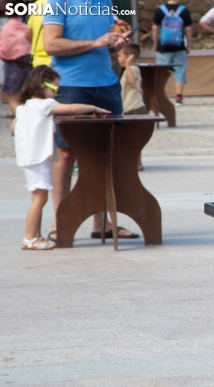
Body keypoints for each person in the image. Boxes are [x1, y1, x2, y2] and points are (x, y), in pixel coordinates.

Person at [43, 0, 139, 242]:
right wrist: (95, 42)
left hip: (106, 84)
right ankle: (60, 221)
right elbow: (51, 44)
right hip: (71, 85)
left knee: (106, 154)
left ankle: (102, 223)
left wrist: (114, 42)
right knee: (66, 153)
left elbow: (103, 44)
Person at [12, 66, 110, 250]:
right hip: (38, 159)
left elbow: (13, 127)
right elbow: (72, 107)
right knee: (39, 200)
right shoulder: (44, 105)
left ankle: (36, 235)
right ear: (41, 86)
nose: (56, 94)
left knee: (38, 198)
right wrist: (94, 107)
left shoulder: (23, 107)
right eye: (55, 89)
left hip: (28, 158)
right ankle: (29, 239)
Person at [152, 0, 193, 106]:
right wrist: (189, 44)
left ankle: (160, 96)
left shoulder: (160, 10)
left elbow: (155, 28)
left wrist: (155, 44)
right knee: (180, 70)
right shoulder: (183, 10)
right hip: (179, 46)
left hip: (163, 47)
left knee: (161, 72)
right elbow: (188, 29)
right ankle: (179, 97)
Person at [117, 43, 146, 170]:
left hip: (134, 108)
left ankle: (137, 163)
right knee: (129, 138)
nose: (118, 58)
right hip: (128, 107)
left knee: (134, 138)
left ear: (129, 57)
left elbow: (132, 81)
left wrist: (128, 65)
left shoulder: (133, 69)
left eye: (120, 55)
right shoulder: (128, 70)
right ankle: (133, 161)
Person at [0, 8, 32, 119]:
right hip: (27, 64)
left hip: (12, 64)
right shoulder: (25, 27)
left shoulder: (6, 28)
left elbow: (5, 49)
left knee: (12, 96)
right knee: (25, 96)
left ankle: (19, 123)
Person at [26, 0, 52, 68]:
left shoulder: (37, 4)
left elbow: (27, 34)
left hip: (38, 62)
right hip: (57, 61)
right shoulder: (65, 3)